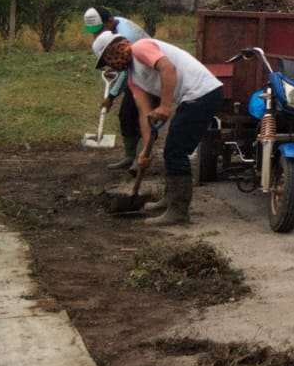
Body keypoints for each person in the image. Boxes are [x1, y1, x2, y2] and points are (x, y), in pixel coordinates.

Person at [93, 31, 224, 225]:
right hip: (193, 97)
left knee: (176, 151)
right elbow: (144, 113)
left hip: (203, 92)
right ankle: (170, 199)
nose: (112, 64)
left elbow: (167, 68)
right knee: (172, 149)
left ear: (116, 49)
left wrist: (164, 105)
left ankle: (179, 211)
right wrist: (145, 150)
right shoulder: (133, 80)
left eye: (109, 59)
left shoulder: (140, 48)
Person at [84, 6, 149, 171]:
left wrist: (111, 97)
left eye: (99, 31)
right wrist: (114, 65)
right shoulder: (114, 27)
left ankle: (140, 159)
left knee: (145, 117)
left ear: (110, 21)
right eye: (94, 32)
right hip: (136, 71)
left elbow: (127, 71)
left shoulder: (126, 36)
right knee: (126, 115)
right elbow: (124, 62)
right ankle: (129, 156)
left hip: (149, 74)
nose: (96, 35)